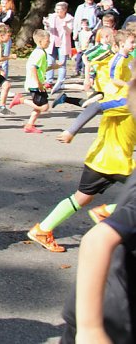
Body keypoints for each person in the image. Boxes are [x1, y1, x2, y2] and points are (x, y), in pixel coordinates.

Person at [60, 81, 136, 343]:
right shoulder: (120, 100)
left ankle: (43, 229)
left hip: (119, 162)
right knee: (82, 198)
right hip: (107, 162)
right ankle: (42, 229)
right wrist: (90, 329)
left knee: (83, 198)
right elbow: (97, 241)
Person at [27, 97, 135, 253]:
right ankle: (106, 212)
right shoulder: (127, 101)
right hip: (115, 161)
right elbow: (96, 106)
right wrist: (71, 131)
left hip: (98, 159)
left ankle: (42, 229)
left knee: (82, 197)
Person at [8, 30, 62, 133]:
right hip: (35, 85)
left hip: (37, 84)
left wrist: (53, 67)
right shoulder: (39, 53)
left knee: (39, 106)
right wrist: (38, 84)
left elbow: (41, 69)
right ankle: (21, 100)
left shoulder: (41, 52)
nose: (49, 42)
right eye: (47, 41)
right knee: (44, 107)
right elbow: (33, 68)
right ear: (40, 41)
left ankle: (29, 125)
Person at [43, 1, 73, 94]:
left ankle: (60, 82)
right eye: (56, 9)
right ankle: (49, 81)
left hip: (63, 43)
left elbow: (69, 31)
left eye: (59, 9)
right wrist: (46, 24)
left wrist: (65, 27)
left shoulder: (69, 18)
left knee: (62, 64)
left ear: (64, 10)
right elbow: (47, 29)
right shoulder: (52, 17)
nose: (57, 11)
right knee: (50, 63)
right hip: (52, 42)